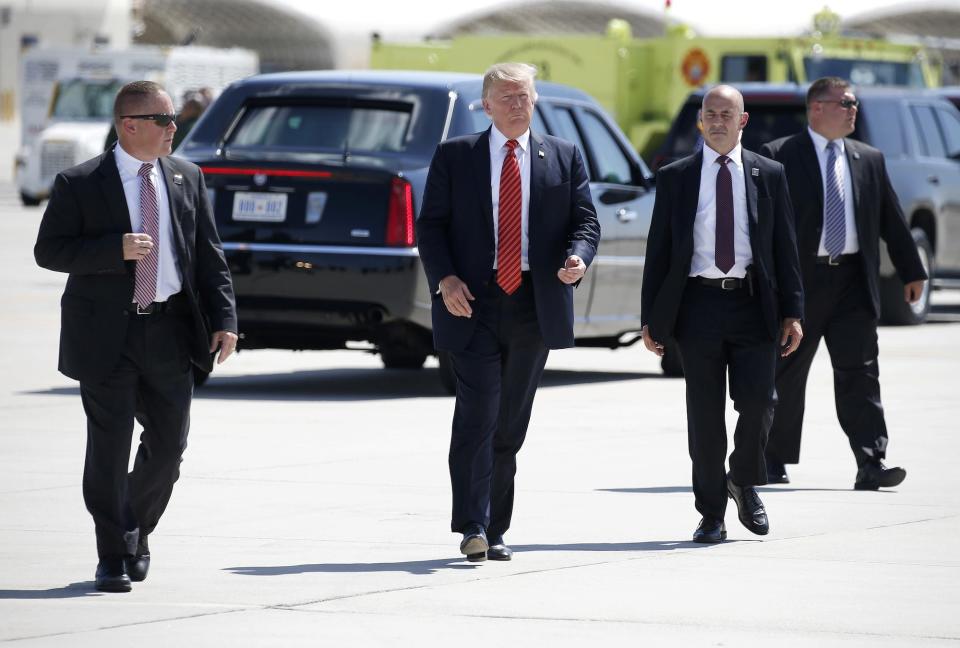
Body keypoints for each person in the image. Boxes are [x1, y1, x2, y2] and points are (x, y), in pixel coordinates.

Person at [34, 80, 238, 592]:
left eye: (174, 121)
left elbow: (208, 254)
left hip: (171, 330)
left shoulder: (187, 177)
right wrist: (114, 249)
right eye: (165, 121)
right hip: (107, 335)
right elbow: (49, 251)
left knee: (169, 446)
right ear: (130, 125)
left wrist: (225, 318)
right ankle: (111, 554)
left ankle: (135, 529)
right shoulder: (80, 182)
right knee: (109, 448)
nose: (175, 128)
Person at [417, 63, 600, 562]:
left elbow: (586, 221)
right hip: (471, 303)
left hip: (532, 305)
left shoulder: (562, 156)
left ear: (535, 100)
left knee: (509, 424)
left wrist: (578, 257)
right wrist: (445, 279)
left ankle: (496, 528)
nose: (517, 104)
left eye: (524, 96)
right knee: (477, 415)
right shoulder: (457, 157)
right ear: (487, 104)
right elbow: (430, 226)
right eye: (507, 97)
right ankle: (472, 524)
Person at [640, 85, 804, 544]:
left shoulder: (768, 173)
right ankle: (711, 513)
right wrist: (650, 318)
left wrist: (793, 311)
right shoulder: (676, 176)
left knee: (761, 403)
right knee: (705, 416)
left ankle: (743, 479)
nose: (716, 121)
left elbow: (785, 247)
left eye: (725, 114)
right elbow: (659, 251)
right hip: (698, 306)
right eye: (709, 114)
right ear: (699, 121)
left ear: (742, 121)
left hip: (755, 305)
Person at [760, 77, 927, 489]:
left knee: (861, 372)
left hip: (853, 279)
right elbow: (762, 229)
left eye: (854, 102)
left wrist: (912, 270)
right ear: (817, 107)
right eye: (846, 101)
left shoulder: (868, 158)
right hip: (800, 281)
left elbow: (891, 217)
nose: (854, 109)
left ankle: (871, 461)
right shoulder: (780, 156)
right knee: (786, 371)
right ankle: (771, 457)